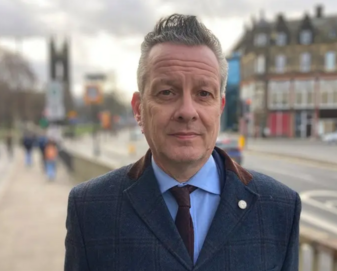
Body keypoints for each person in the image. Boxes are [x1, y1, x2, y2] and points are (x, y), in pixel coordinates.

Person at [64, 14, 301, 271]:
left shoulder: (280, 208)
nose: (187, 111)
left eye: (203, 94)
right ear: (138, 109)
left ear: (219, 108)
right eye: (167, 92)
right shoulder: (90, 209)